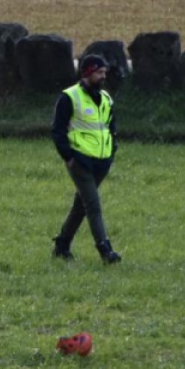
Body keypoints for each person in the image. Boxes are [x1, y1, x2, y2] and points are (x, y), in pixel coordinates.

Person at [50, 54, 122, 264]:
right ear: (88, 73)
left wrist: (112, 151)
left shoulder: (106, 98)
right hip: (80, 161)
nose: (103, 76)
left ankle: (62, 245)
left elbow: (111, 127)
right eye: (99, 72)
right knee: (93, 204)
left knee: (81, 205)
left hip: (102, 161)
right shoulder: (69, 97)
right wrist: (68, 157)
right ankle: (105, 250)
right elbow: (58, 130)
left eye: (104, 72)